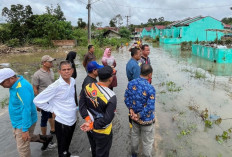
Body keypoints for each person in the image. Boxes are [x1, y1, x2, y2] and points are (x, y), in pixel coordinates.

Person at [0, 68, 53, 157]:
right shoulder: (14, 85)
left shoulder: (21, 88)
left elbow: (26, 109)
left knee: (22, 148)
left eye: (2, 82)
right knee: (26, 137)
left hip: (22, 121)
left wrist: (24, 129)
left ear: (11, 78)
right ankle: (45, 139)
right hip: (18, 120)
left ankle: (43, 139)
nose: (1, 85)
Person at [33, 61, 79, 157]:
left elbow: (71, 97)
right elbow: (37, 101)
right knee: (62, 149)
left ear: (72, 70)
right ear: (59, 71)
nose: (66, 72)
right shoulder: (55, 86)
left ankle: (68, 154)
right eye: (64, 70)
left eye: (68, 69)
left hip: (72, 118)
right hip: (62, 121)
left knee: (68, 142)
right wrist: (52, 110)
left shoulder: (72, 81)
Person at [79, 66, 117, 157]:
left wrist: (88, 120)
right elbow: (107, 119)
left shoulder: (89, 87)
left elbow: (81, 105)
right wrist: (92, 125)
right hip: (103, 132)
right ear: (110, 78)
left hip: (89, 127)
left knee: (94, 149)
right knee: (102, 153)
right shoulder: (111, 96)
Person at [124, 64, 156, 157]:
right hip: (146, 120)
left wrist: (131, 110)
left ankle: (134, 154)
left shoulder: (131, 83)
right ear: (150, 74)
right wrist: (139, 115)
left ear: (140, 72)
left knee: (134, 136)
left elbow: (126, 98)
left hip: (134, 118)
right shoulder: (150, 88)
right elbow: (150, 107)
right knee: (147, 142)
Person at [32, 55, 56, 150]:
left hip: (52, 99)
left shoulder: (51, 71)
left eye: (51, 61)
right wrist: (38, 103)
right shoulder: (37, 74)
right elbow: (35, 89)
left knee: (52, 114)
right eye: (50, 62)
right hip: (44, 100)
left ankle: (53, 130)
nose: (51, 63)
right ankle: (45, 137)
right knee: (44, 118)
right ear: (44, 63)